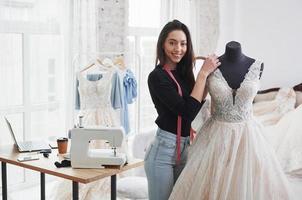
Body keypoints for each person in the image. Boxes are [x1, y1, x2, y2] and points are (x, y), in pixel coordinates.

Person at [168, 41, 293, 200]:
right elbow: (195, 103)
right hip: (215, 136)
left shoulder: (257, 66)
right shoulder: (210, 67)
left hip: (248, 138)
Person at [145, 19, 220, 200]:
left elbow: (195, 104)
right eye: (172, 43)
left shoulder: (184, 74)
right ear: (162, 45)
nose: (178, 48)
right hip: (163, 151)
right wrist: (202, 74)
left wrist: (208, 79)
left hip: (185, 148)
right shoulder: (157, 77)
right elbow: (187, 111)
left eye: (183, 43)